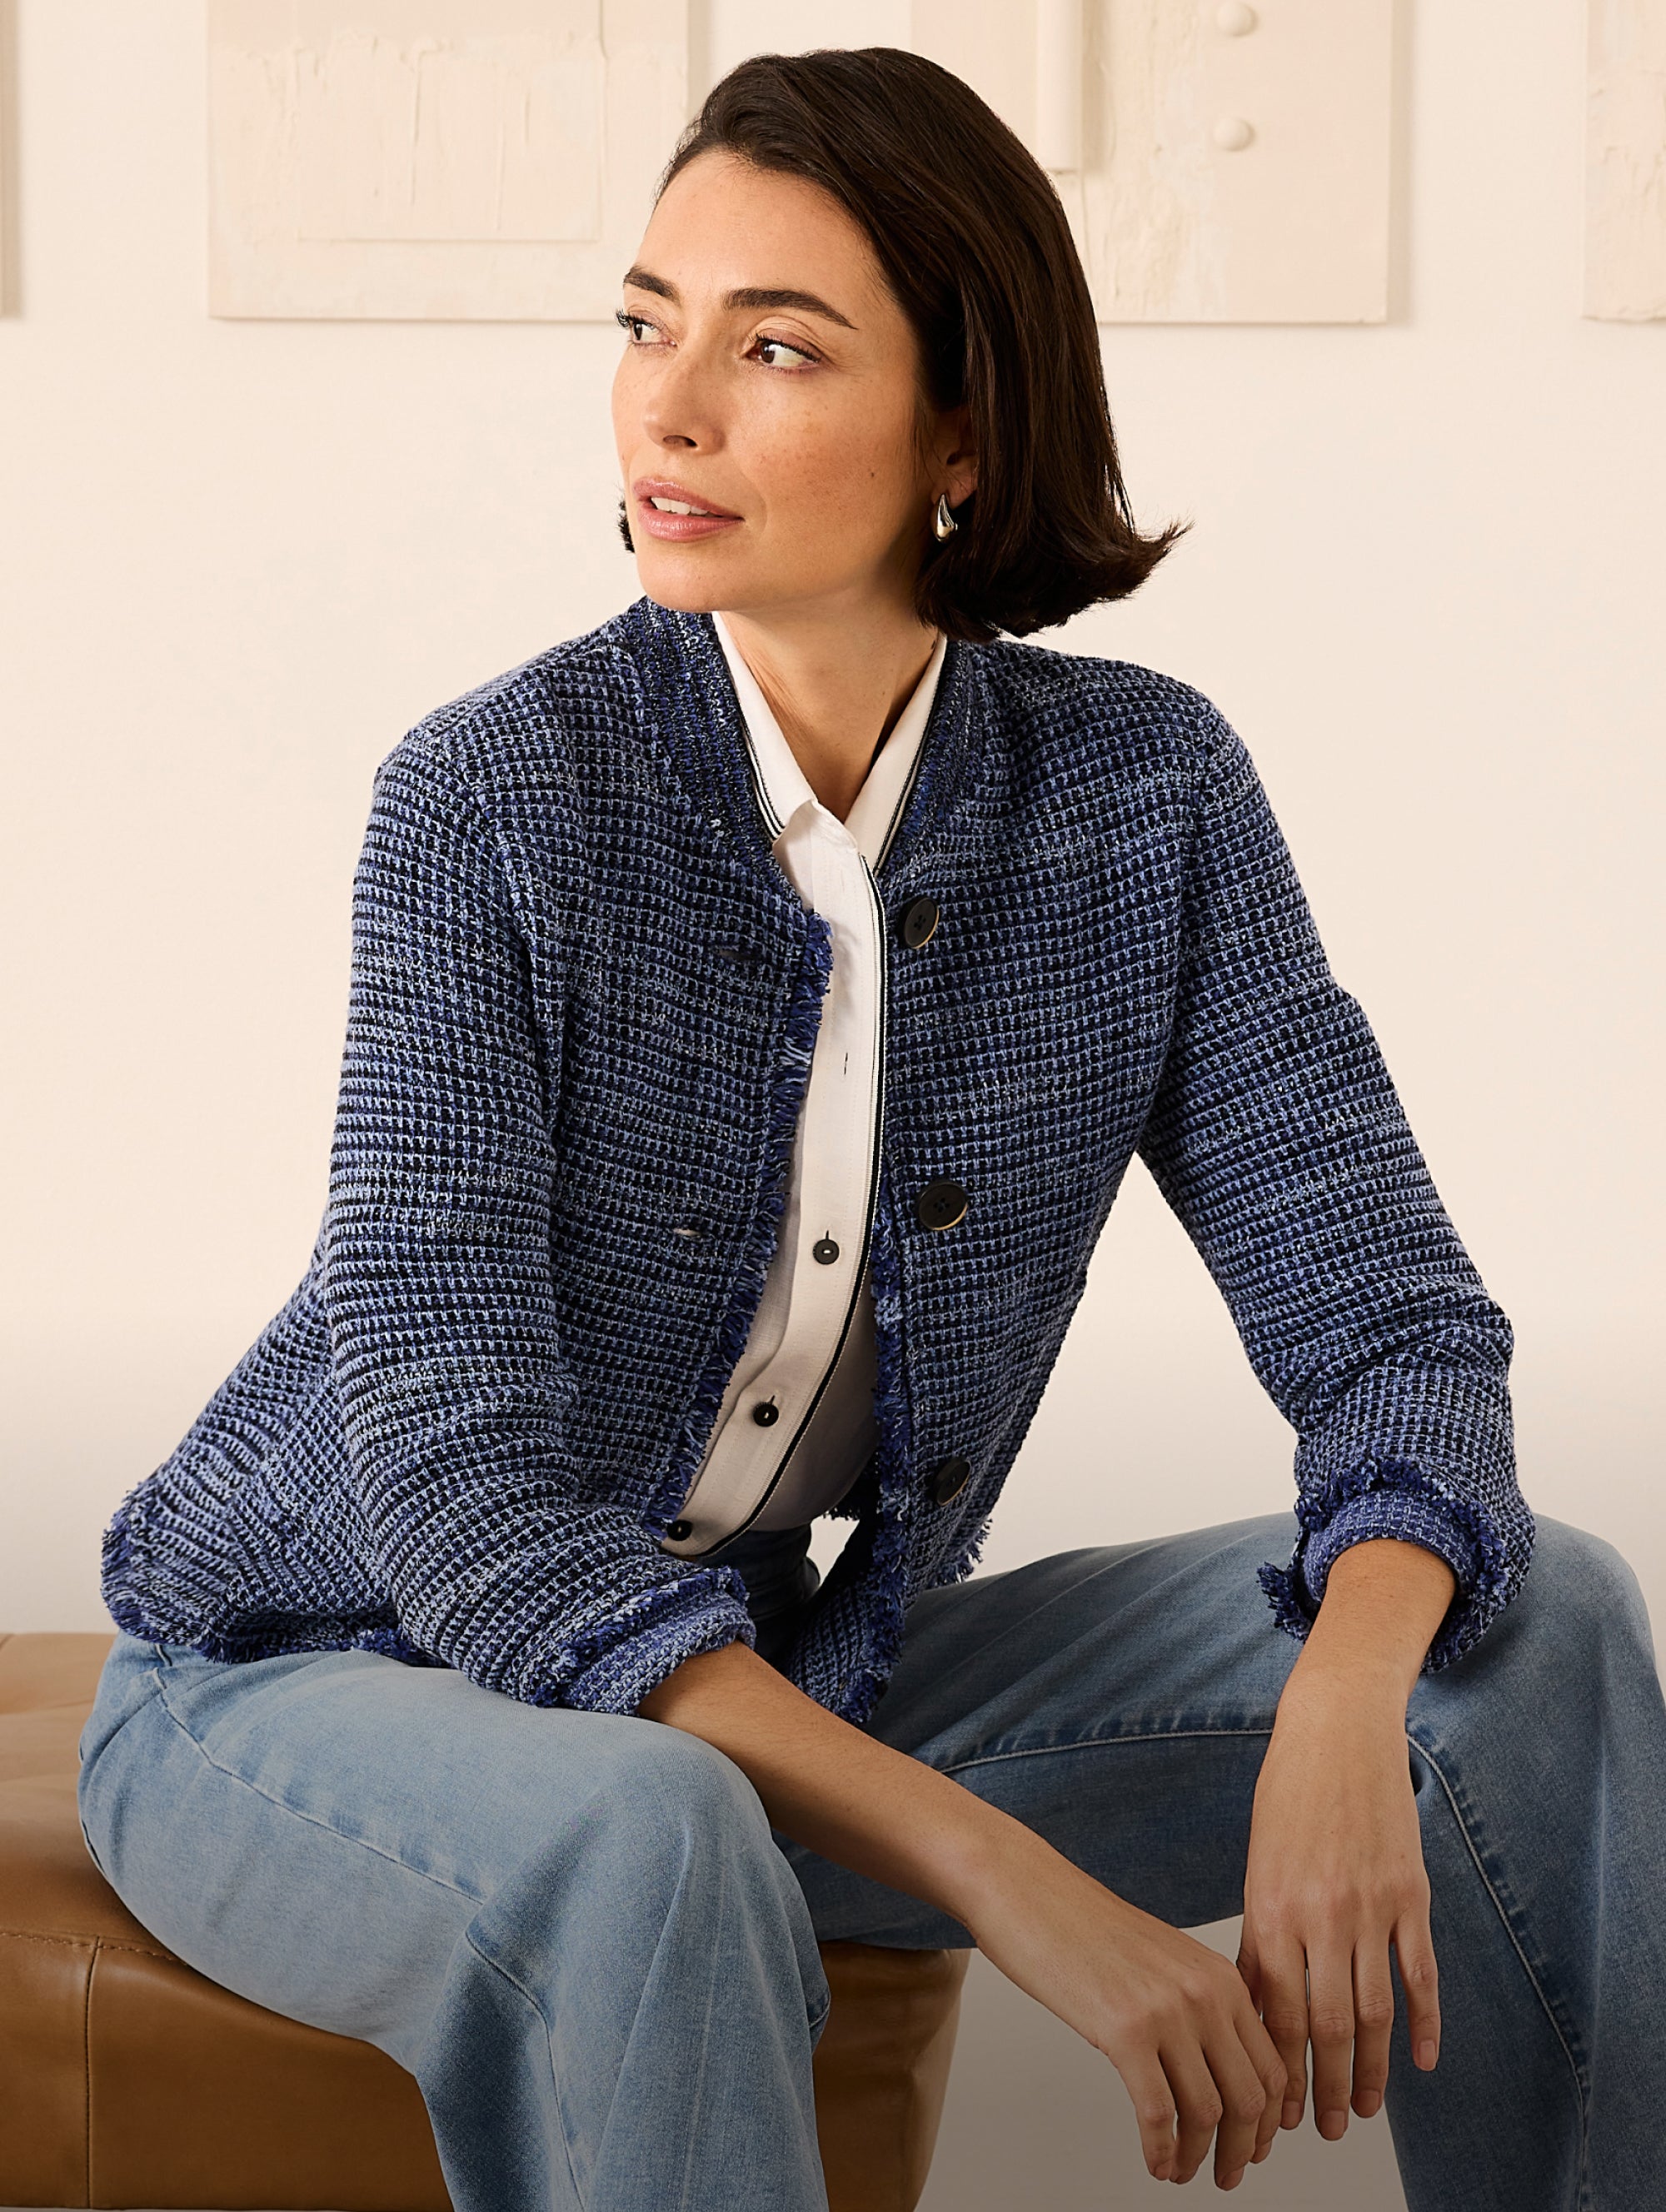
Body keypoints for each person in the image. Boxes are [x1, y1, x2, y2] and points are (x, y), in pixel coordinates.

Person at [76, 46, 1663, 2212]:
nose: (670, 406)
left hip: (778, 1679)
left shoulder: (1141, 801)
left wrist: (1350, 1703)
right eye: (649, 323)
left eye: (778, 345)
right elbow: (461, 1500)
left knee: (1535, 1620)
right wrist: (1008, 1878)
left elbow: (1387, 1320)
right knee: (654, 1824)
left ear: (965, 434)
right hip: (303, 1682)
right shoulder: (493, 803)